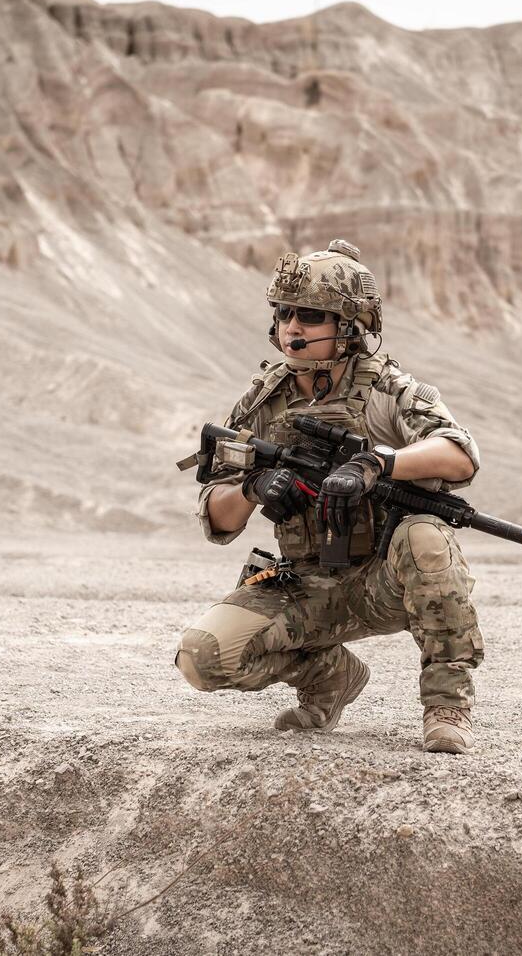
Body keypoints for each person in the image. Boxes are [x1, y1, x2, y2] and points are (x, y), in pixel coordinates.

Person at [174, 239, 485, 754]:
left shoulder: (390, 390)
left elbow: (460, 453)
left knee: (427, 535)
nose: (292, 327)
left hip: (382, 581)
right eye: (284, 313)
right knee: (201, 656)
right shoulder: (263, 401)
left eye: (311, 316)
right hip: (307, 584)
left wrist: (379, 463)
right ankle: (329, 677)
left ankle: (446, 703)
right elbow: (215, 517)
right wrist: (253, 489)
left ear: (349, 326)